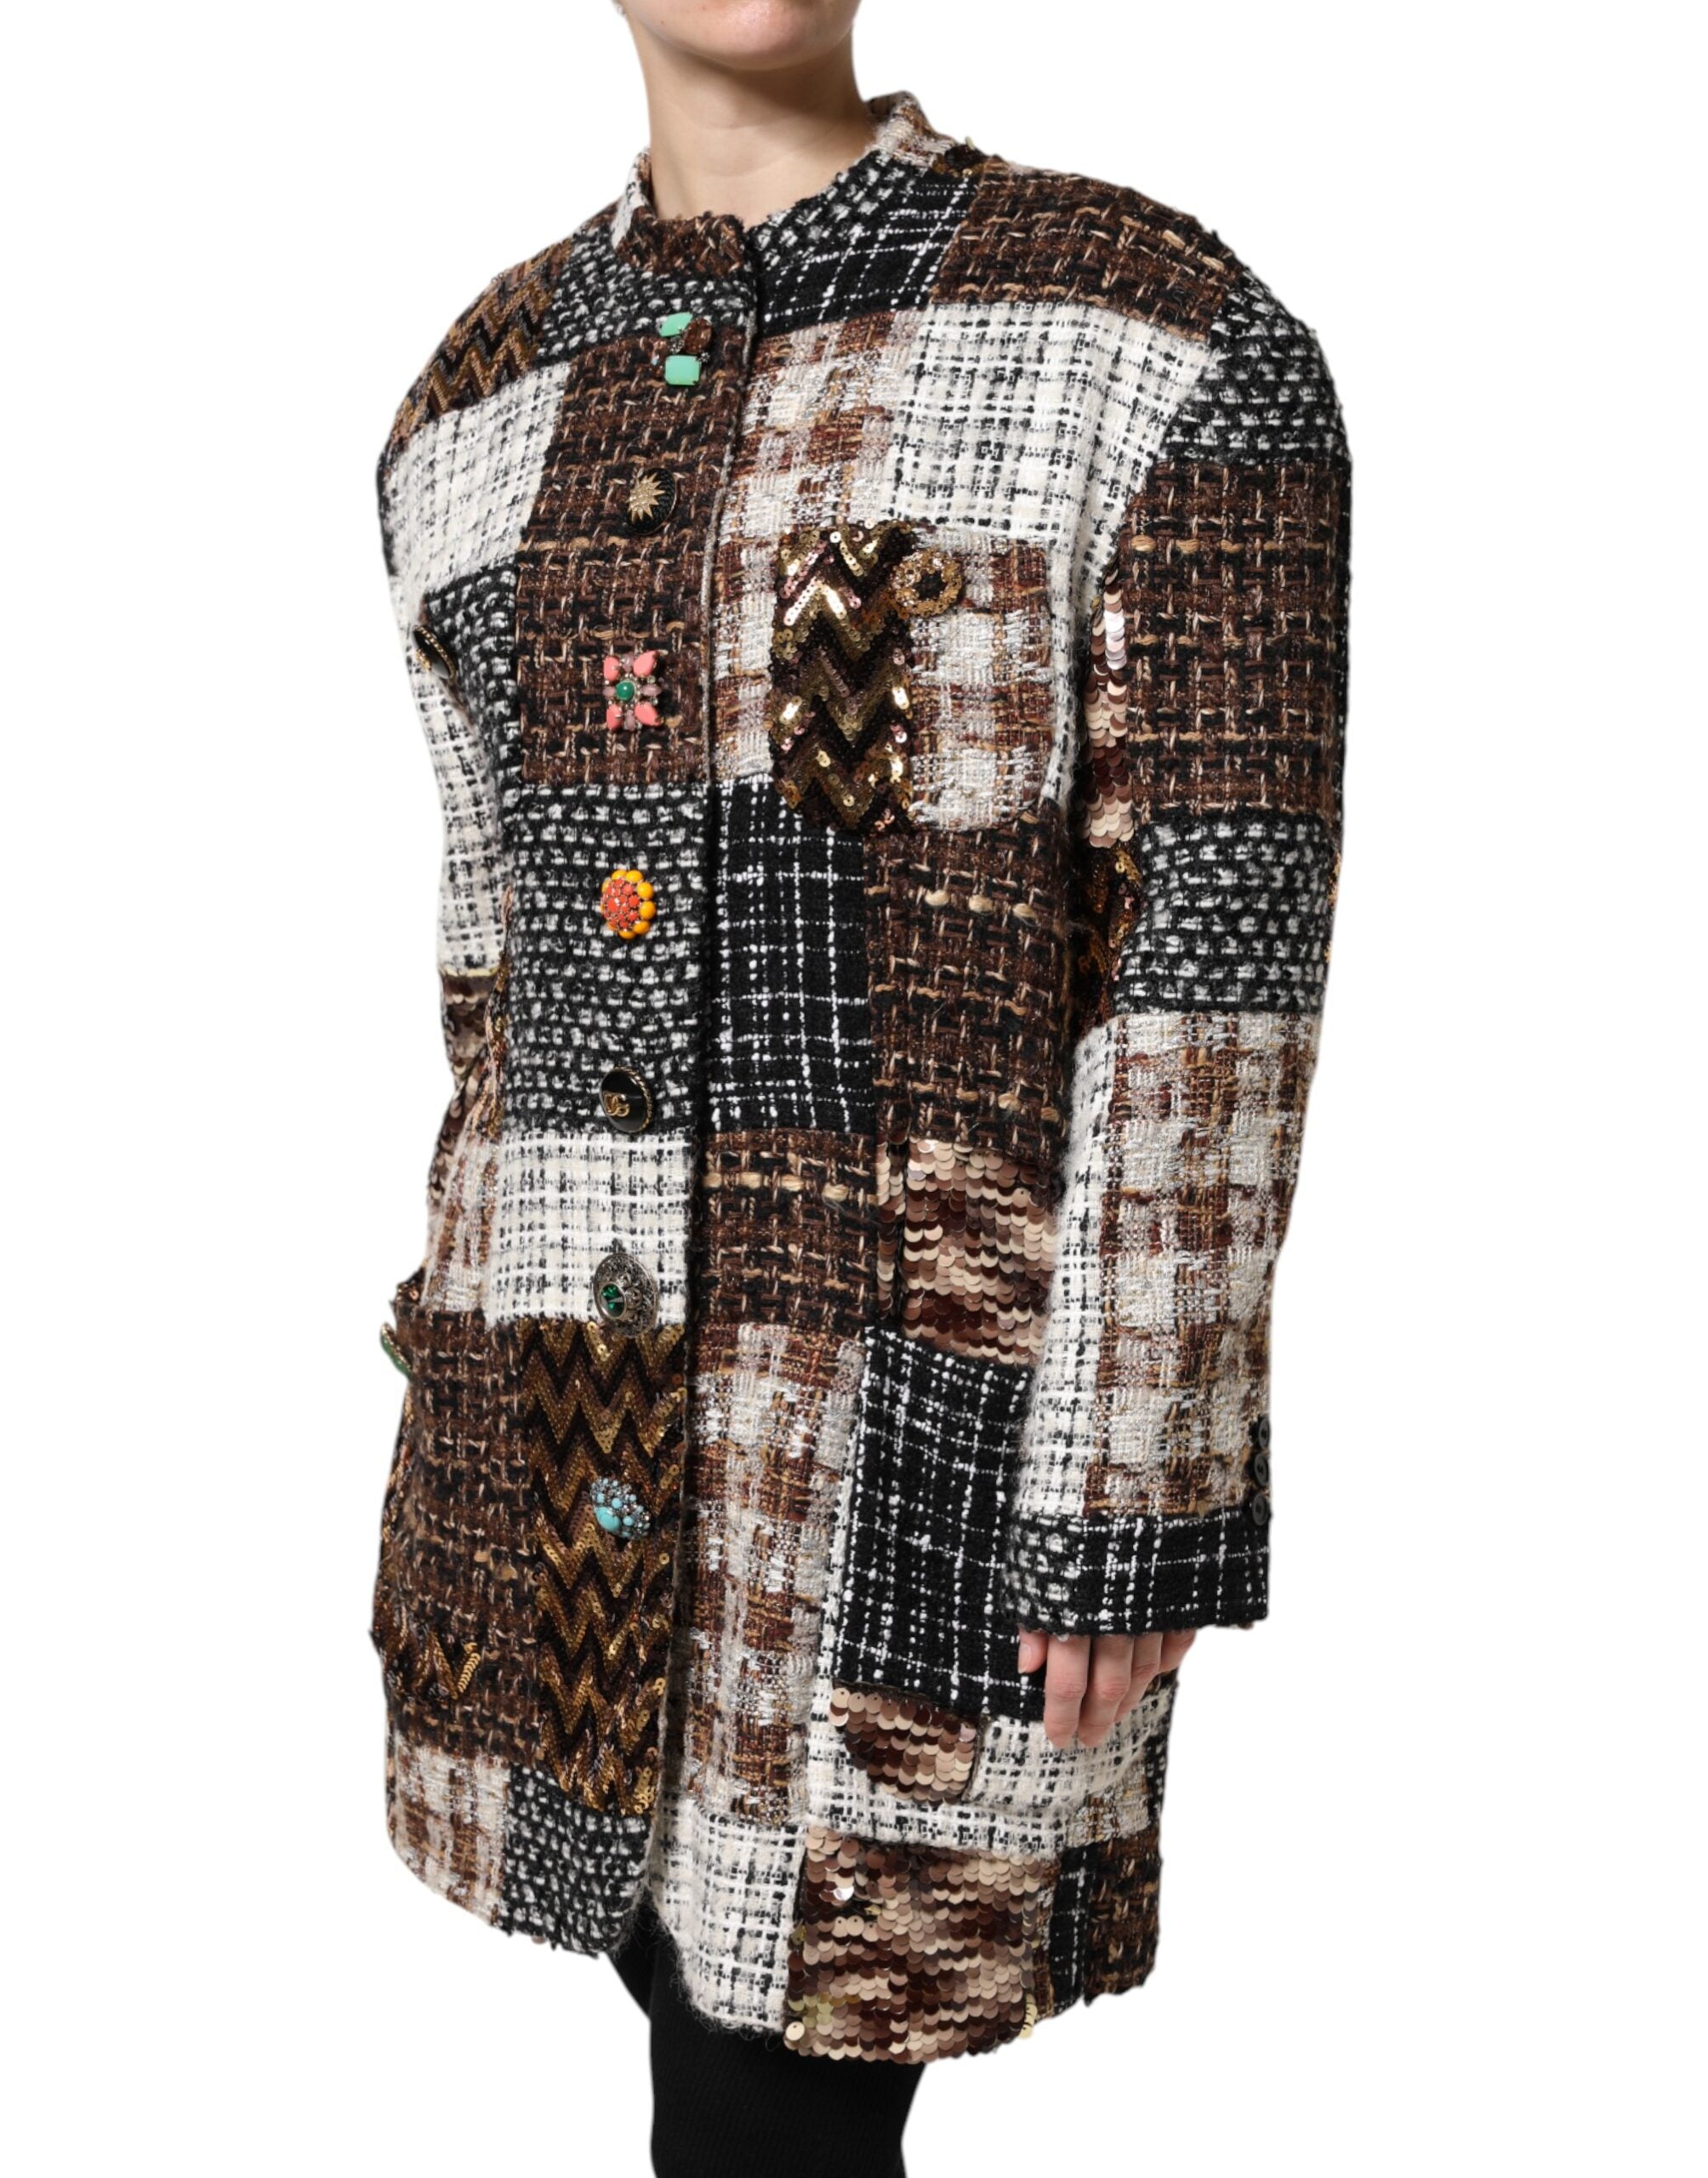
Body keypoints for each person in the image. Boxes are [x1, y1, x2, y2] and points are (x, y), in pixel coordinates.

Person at [368, 3, 1350, 2173]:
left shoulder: (1150, 337)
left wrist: (1137, 1476)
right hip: (545, 1452)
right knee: (682, 2031)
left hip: (911, 1462)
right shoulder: (465, 406)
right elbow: (484, 982)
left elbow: (1215, 967)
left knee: (785, 2094)